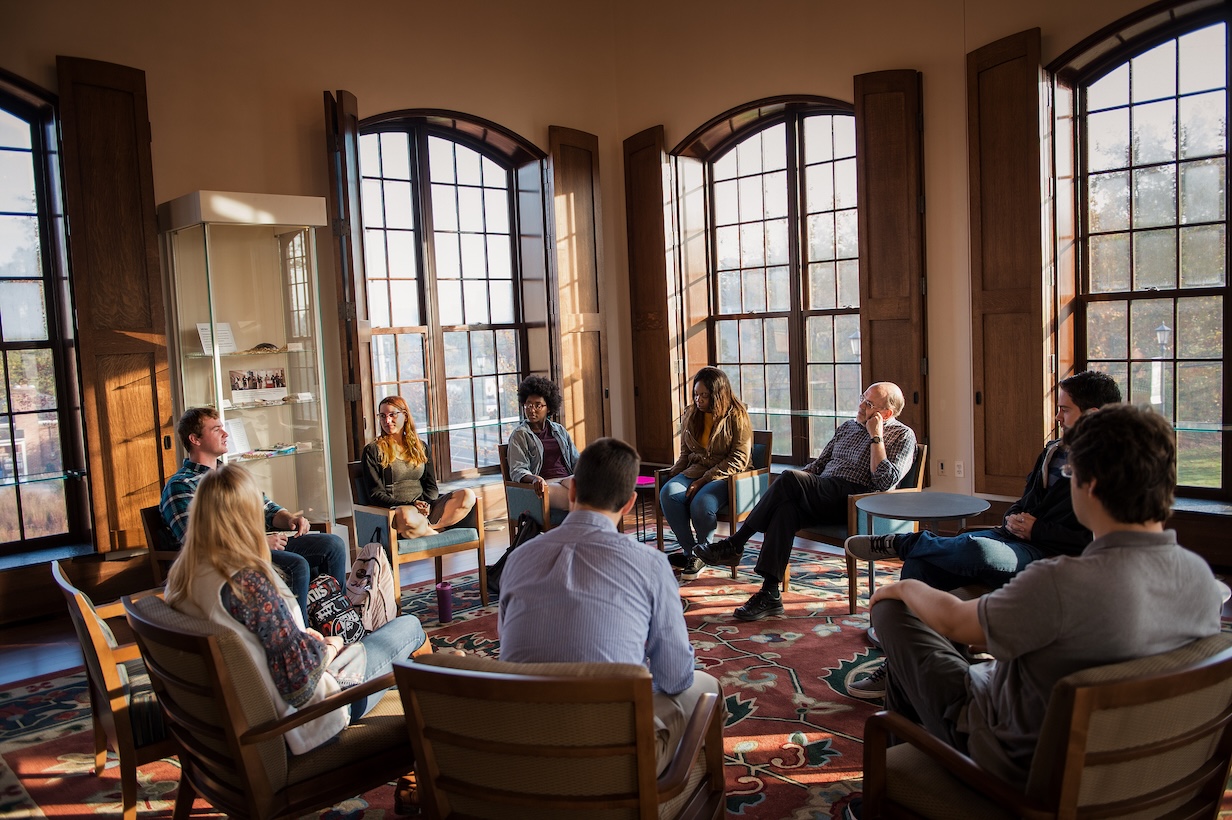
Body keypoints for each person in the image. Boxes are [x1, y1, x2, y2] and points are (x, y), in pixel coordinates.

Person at [841, 405, 1222, 820]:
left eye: (1071, 474)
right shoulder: (1201, 579)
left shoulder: (1061, 582)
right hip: (1137, 766)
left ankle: (898, 782)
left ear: (1090, 486)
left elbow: (955, 623)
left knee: (895, 611)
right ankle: (902, 781)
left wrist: (905, 587)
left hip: (1017, 764)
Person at [843, 371, 1122, 697]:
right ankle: (900, 667)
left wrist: (1038, 529)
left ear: (1093, 415)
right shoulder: (1053, 451)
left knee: (976, 550)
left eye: (1065, 409)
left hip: (1048, 552)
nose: (1058, 416)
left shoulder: (1111, 467)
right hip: (1015, 537)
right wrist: (1014, 517)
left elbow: (1094, 540)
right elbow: (1027, 499)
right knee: (922, 566)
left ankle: (904, 542)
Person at [164, 463, 426, 755]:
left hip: (240, 718)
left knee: (391, 653)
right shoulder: (246, 584)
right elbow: (299, 685)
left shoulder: (183, 578)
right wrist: (327, 647)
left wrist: (306, 643)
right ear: (248, 517)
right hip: (311, 719)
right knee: (409, 628)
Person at [498, 437, 723, 773]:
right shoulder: (650, 564)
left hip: (522, 750)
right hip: (613, 758)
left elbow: (508, 647)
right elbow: (675, 678)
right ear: (630, 504)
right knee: (706, 687)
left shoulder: (518, 559)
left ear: (572, 490)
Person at [696, 382, 917, 622]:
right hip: (824, 491)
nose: (861, 406)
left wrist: (876, 436)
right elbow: (817, 466)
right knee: (785, 509)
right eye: (862, 398)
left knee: (789, 478)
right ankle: (770, 593)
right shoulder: (847, 428)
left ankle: (735, 543)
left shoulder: (903, 435)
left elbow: (884, 480)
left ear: (886, 414)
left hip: (857, 501)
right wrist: (799, 486)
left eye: (869, 404)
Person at [160, 407, 347, 620]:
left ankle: (336, 620)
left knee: (333, 545)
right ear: (195, 439)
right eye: (216, 429)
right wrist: (258, 543)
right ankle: (301, 632)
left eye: (223, 427)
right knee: (296, 564)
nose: (226, 433)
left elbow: (266, 508)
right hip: (230, 557)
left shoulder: (229, 475)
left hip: (260, 544)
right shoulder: (180, 485)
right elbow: (198, 541)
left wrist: (289, 518)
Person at [660, 366, 752, 581]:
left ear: (718, 394)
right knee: (668, 493)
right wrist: (673, 474)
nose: (698, 400)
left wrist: (704, 480)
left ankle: (705, 549)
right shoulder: (691, 414)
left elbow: (739, 458)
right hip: (696, 470)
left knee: (701, 503)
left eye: (704, 395)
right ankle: (692, 552)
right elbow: (686, 453)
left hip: (726, 475)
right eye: (696, 394)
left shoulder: (737, 415)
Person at [361, 396, 476, 539]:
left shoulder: (421, 447)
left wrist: (426, 504)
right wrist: (412, 504)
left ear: (405, 416)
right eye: (382, 416)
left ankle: (426, 529)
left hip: (426, 508)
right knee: (405, 516)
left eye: (392, 415)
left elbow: (431, 486)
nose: (387, 421)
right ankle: (434, 535)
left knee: (467, 495)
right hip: (401, 511)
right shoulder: (373, 450)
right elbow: (375, 495)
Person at [506, 375, 580, 513]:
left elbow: (576, 460)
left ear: (549, 408)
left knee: (589, 487)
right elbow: (517, 470)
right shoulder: (520, 435)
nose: (531, 409)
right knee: (583, 500)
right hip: (544, 486)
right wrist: (535, 478)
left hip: (566, 479)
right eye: (528, 404)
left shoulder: (559, 430)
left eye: (537, 405)